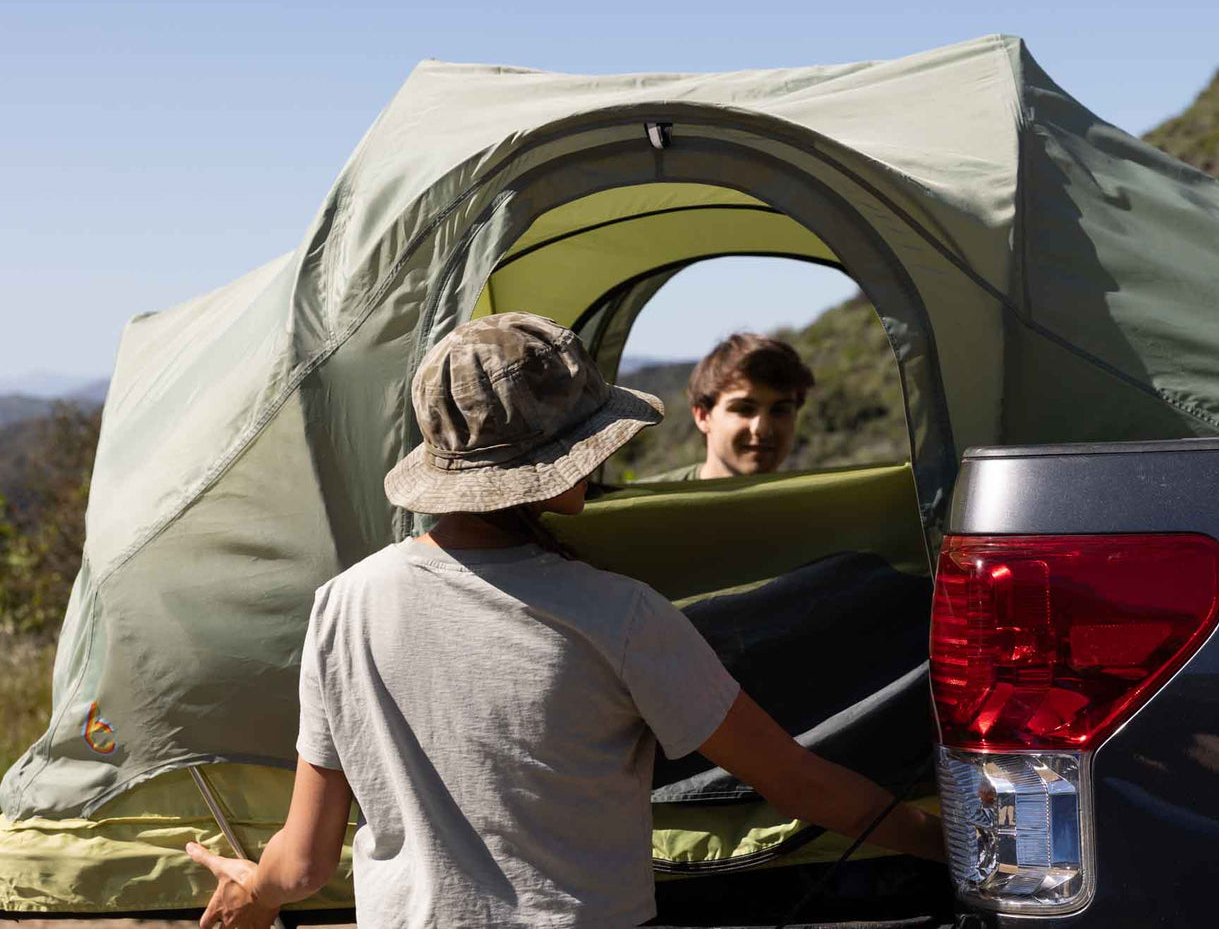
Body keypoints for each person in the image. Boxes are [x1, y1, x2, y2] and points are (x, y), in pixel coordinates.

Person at [187, 312, 942, 929]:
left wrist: (253, 888)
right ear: (566, 459)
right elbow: (795, 781)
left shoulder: (343, 603)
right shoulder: (617, 614)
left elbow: (306, 865)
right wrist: (929, 837)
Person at [644, 332, 815, 482]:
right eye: (744, 409)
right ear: (703, 416)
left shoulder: (818, 508)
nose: (762, 429)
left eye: (780, 410)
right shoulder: (643, 506)